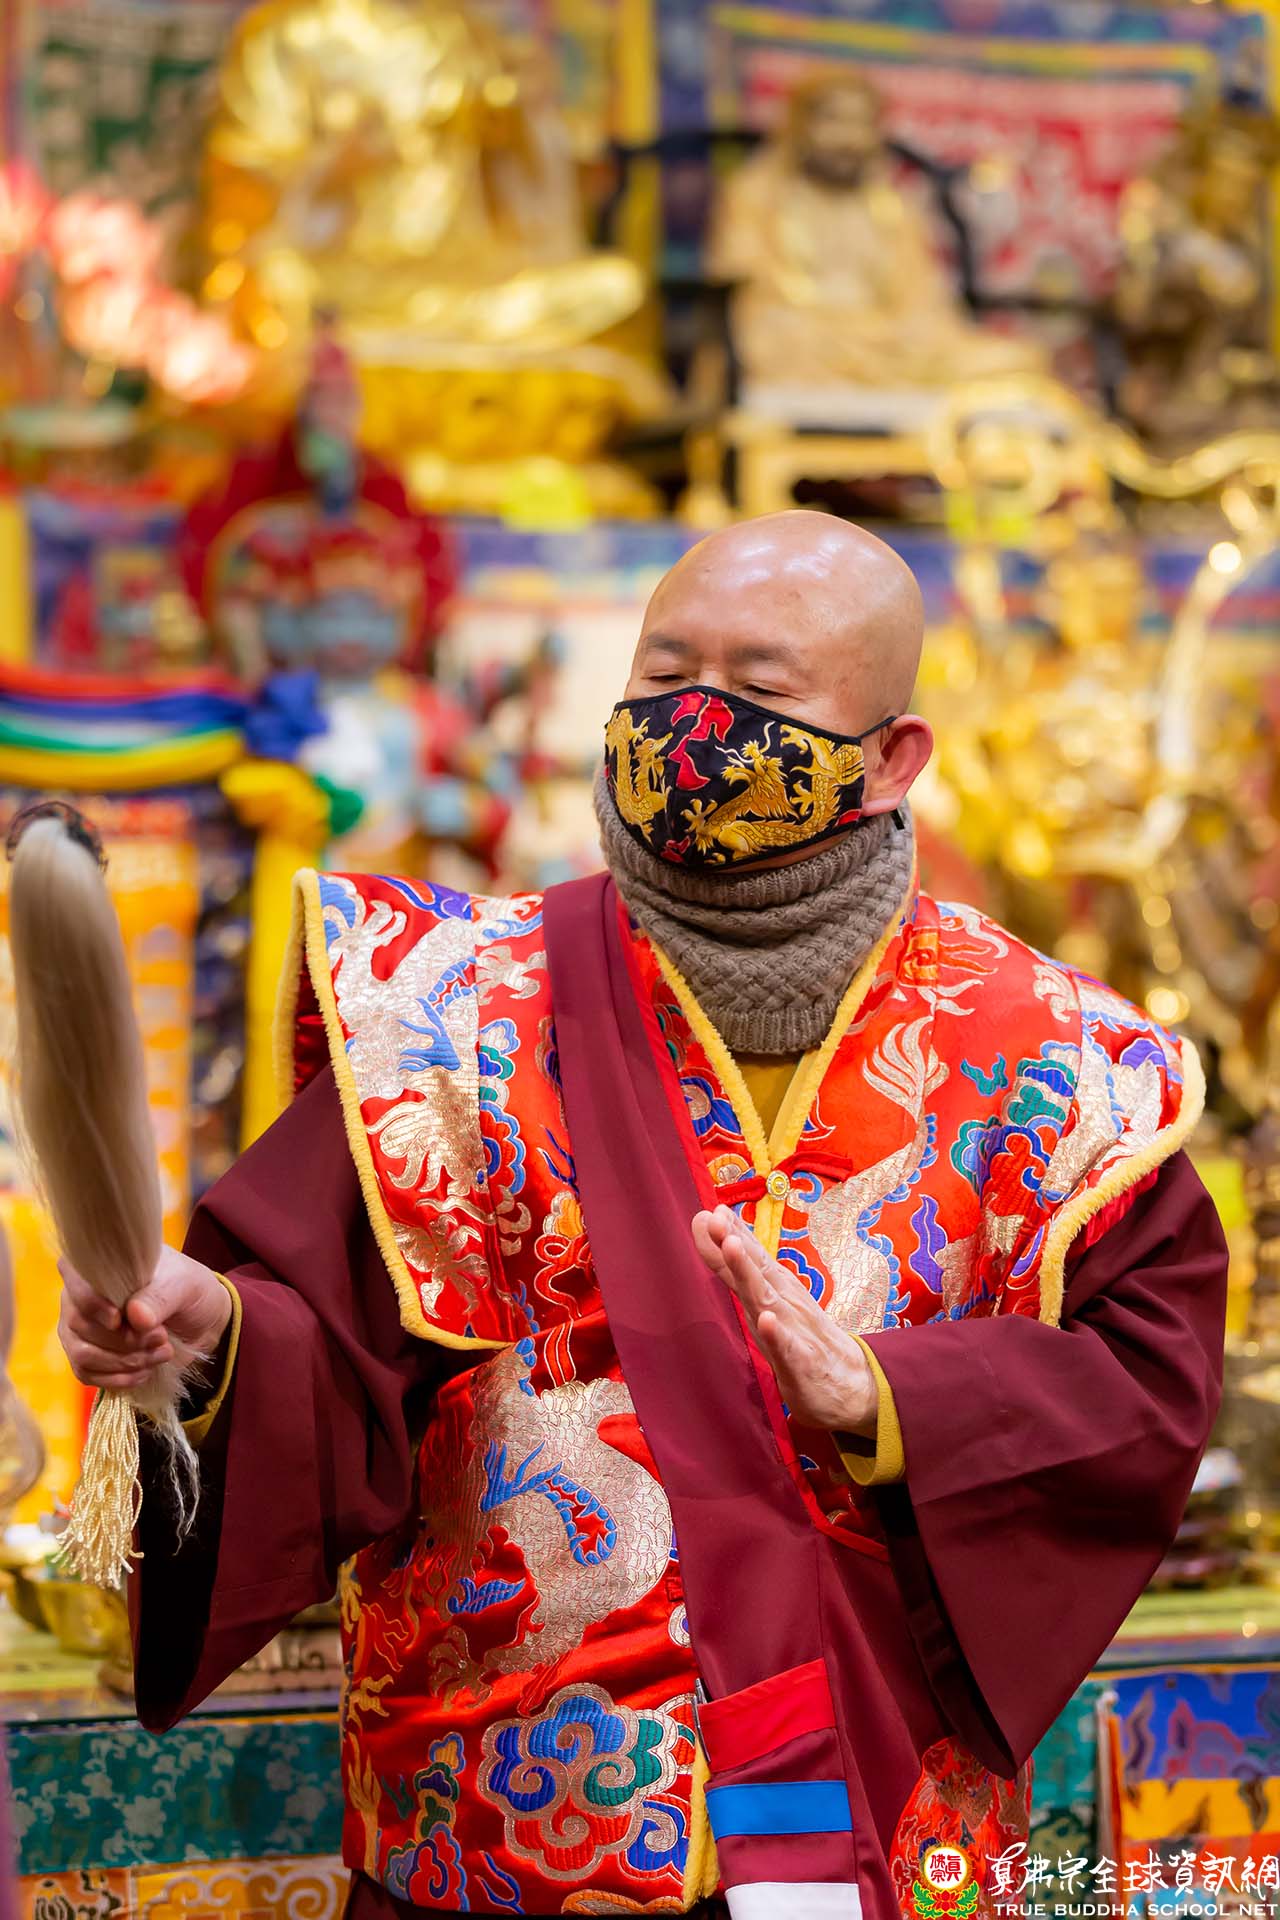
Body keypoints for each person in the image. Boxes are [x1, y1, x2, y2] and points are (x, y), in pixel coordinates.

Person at [59, 512, 1226, 1920]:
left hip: (873, 1814)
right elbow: (327, 1353)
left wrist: (892, 1398)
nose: (696, 724)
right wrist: (212, 1335)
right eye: (665, 677)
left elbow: (1143, 1390)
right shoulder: (444, 1006)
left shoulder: (1053, 1057)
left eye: (759, 690)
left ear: (892, 756)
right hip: (496, 1823)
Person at [708, 71, 1042, 413]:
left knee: (1017, 359)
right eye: (833, 121)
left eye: (862, 124)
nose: (849, 139)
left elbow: (925, 302)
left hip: (889, 343)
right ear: (799, 126)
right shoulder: (755, 196)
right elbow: (748, 300)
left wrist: (898, 338)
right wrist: (835, 335)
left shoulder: (894, 207)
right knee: (773, 343)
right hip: (806, 342)